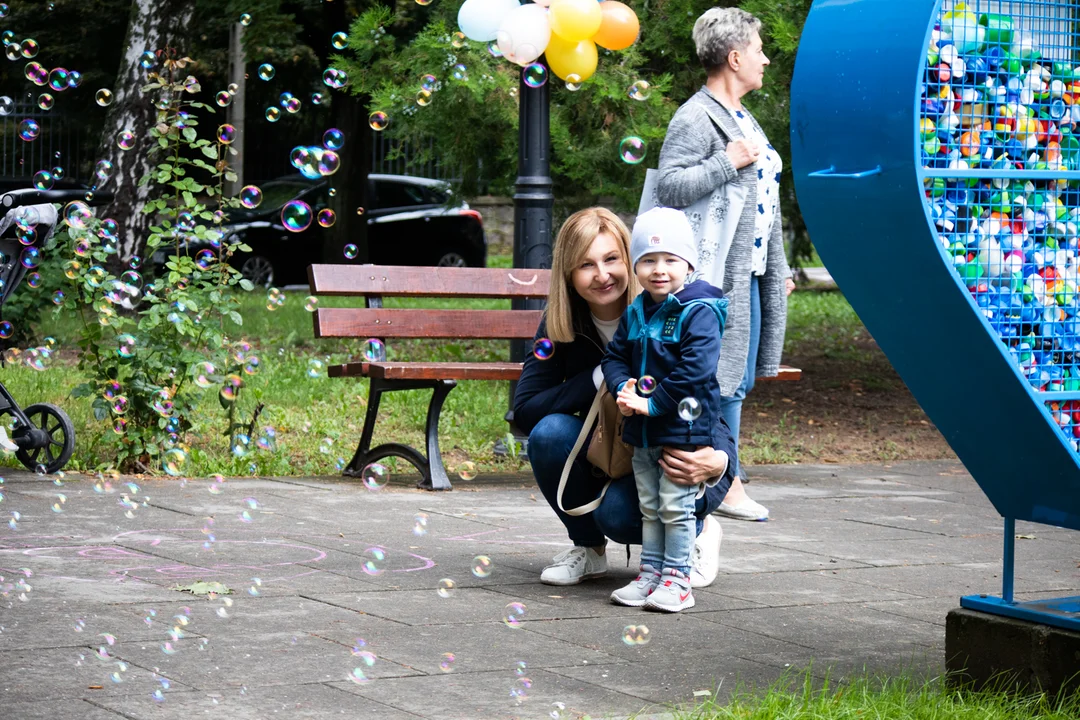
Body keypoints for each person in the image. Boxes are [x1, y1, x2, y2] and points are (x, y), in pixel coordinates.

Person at [513, 207, 736, 590]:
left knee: (620, 516)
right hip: (618, 450)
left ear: (630, 261)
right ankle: (588, 549)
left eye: (612, 259)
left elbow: (702, 397)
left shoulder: (675, 313)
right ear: (569, 274)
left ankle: (696, 532)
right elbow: (525, 410)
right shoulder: (563, 321)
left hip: (668, 446)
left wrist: (720, 461)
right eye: (586, 265)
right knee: (549, 434)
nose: (602, 275)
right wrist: (603, 374)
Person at [656, 7, 795, 522]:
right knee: (723, 378)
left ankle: (723, 473)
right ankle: (725, 482)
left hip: (750, 272)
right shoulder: (696, 115)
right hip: (714, 278)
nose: (764, 58)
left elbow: (763, 201)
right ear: (735, 57)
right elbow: (669, 187)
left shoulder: (743, 116)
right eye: (758, 49)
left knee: (741, 377)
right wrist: (724, 162)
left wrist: (775, 268)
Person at [602, 208, 730, 612]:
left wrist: (652, 403)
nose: (660, 269)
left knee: (677, 506)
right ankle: (651, 573)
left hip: (683, 433)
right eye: (648, 260)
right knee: (650, 506)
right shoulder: (637, 310)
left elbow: (696, 370)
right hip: (642, 431)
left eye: (671, 259)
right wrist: (621, 384)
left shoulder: (699, 310)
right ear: (636, 267)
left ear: (689, 263)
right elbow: (615, 355)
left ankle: (679, 579)